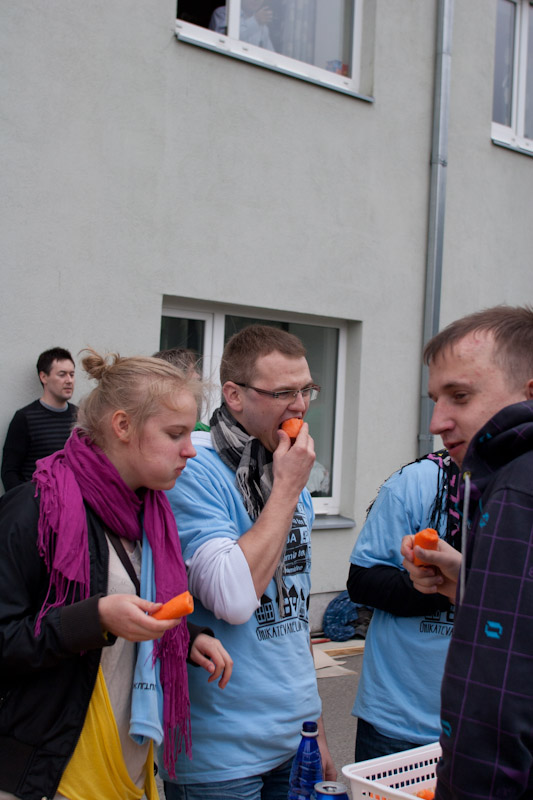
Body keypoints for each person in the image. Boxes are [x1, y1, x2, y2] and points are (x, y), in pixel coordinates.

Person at [0, 350, 232, 800]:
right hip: (54, 776)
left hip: (130, 770)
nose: (190, 449)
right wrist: (95, 619)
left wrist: (184, 637)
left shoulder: (151, 511)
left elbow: (129, 599)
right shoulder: (34, 509)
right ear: (123, 426)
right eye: (175, 434)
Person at [161, 324, 335, 799]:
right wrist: (287, 488)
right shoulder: (192, 469)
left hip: (293, 738)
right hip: (219, 753)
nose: (299, 406)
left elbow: (293, 612)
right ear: (234, 395)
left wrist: (315, 722)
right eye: (283, 393)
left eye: (306, 390)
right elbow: (234, 600)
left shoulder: (285, 472)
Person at [401, 305, 533, 798]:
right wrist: (474, 586)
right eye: (435, 399)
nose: (437, 421)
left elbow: (495, 705)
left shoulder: (517, 486)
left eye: (460, 396)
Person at [347, 449, 460, 762]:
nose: (440, 426)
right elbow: (362, 581)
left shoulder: (519, 490)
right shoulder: (417, 481)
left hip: (493, 730)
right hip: (398, 725)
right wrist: (442, 586)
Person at [1, 347, 78, 492]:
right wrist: (25, 501)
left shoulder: (80, 417)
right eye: (62, 374)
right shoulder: (25, 418)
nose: (69, 380)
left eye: (72, 374)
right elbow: (9, 471)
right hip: (37, 501)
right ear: (43, 377)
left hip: (73, 501)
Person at [209, 0, 275, 51]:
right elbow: (224, 41)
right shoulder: (224, 13)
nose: (256, 0)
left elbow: (270, 55)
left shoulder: (263, 27)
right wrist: (255, 20)